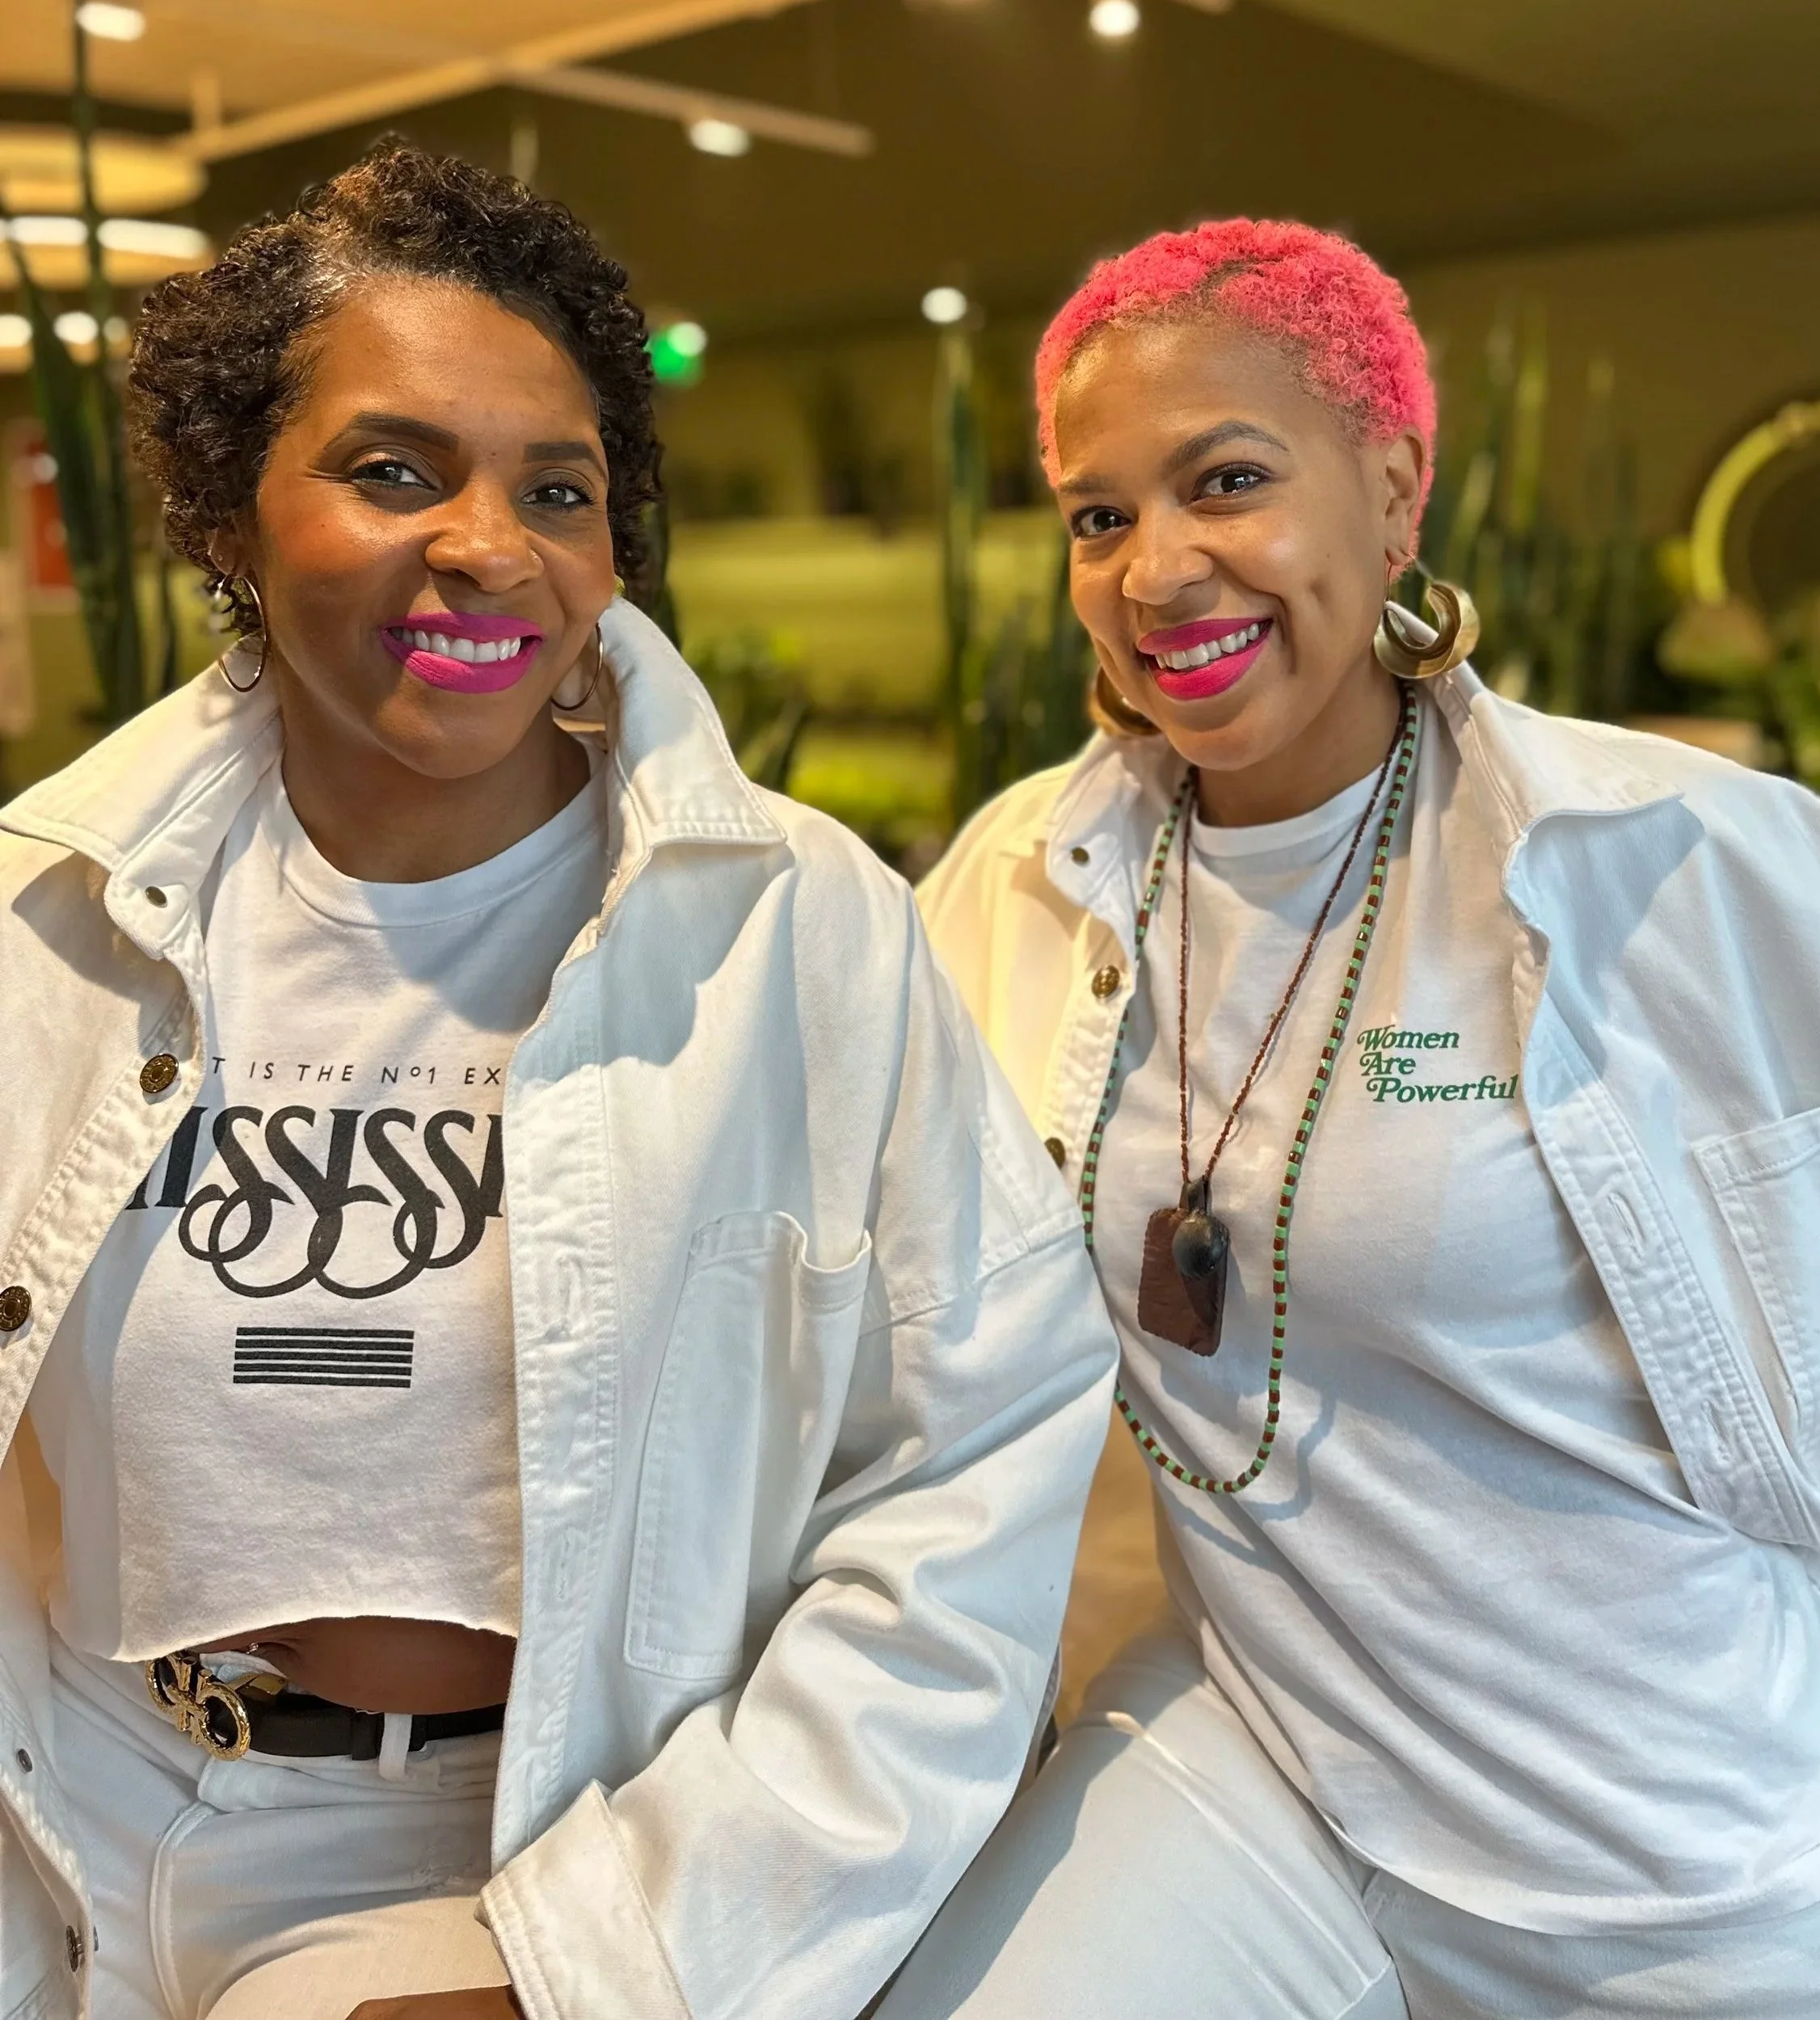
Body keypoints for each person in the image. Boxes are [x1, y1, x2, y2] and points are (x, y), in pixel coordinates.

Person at [0, 147, 1116, 2020]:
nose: (487, 543)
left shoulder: (795, 935)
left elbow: (969, 1479)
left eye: (558, 488)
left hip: (515, 1847)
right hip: (70, 1787)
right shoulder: (51, 909)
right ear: (228, 508)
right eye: (391, 468)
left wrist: (612, 1955)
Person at [883, 216, 1820, 2019]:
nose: (1155, 567)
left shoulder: (1684, 862)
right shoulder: (1024, 877)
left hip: (1672, 1846)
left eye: (1225, 480)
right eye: (1097, 514)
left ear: (1391, 490)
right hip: (1263, 1754)